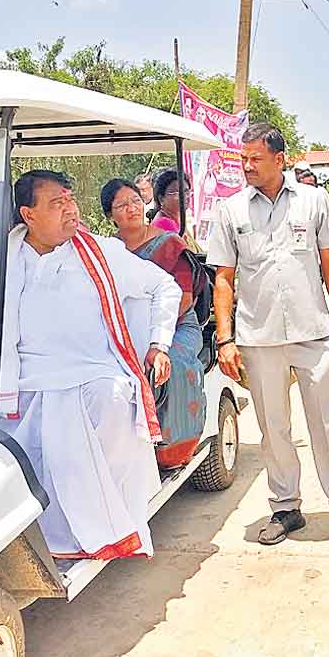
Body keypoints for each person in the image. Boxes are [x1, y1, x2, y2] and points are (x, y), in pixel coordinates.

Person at [0, 170, 182, 561]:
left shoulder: (102, 252)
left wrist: (158, 343)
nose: (70, 210)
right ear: (28, 215)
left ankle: (107, 528)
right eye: (57, 203)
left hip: (90, 369)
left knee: (111, 397)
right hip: (15, 375)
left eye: (70, 200)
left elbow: (165, 286)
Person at [206, 122, 329, 558]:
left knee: (327, 424)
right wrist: (225, 339)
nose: (247, 166)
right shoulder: (231, 211)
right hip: (259, 338)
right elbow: (223, 277)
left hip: (312, 333)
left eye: (255, 158)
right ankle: (286, 507)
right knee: (274, 427)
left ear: (280, 160)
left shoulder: (314, 202)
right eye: (243, 158)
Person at [103, 177, 207, 467]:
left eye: (136, 201)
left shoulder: (169, 244)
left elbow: (184, 300)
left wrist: (150, 332)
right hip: (125, 329)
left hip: (176, 327)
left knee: (165, 365)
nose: (132, 209)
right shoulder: (109, 250)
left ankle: (172, 447)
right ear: (110, 215)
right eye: (122, 205)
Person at [151, 167, 201, 252]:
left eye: (186, 191)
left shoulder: (178, 221)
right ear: (161, 199)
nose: (184, 196)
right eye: (177, 192)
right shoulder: (164, 223)